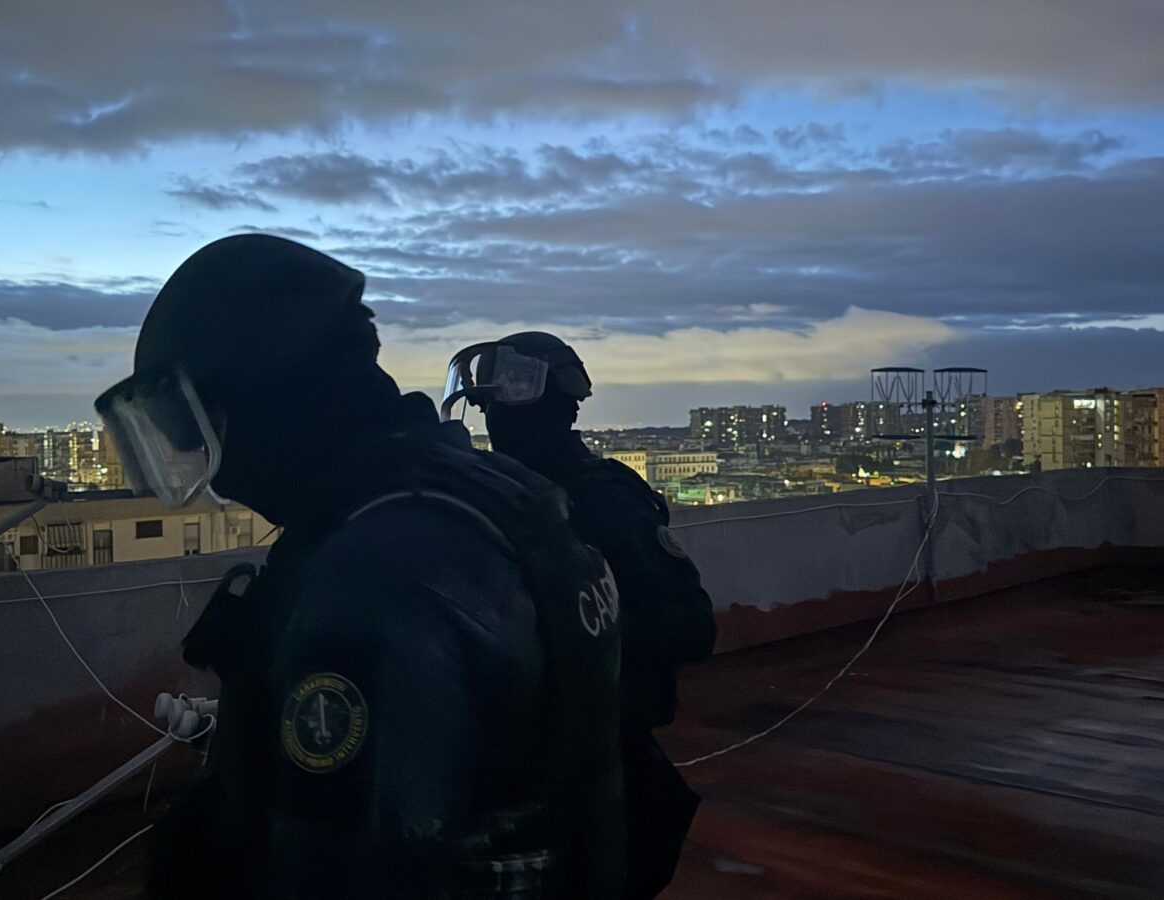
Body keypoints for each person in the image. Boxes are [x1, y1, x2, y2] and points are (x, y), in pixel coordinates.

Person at [94, 236, 625, 899]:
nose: (219, 471)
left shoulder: (377, 577)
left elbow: (348, 863)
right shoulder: (474, 493)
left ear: (268, 399)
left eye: (206, 427)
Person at [441, 333, 717, 899]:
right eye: (487, 406)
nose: (496, 421)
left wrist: (565, 636)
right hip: (519, 751)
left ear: (564, 407)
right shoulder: (497, 496)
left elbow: (691, 626)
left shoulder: (604, 499)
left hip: (596, 750)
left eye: (511, 404)